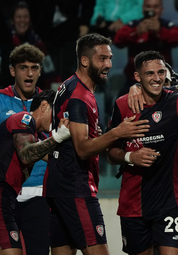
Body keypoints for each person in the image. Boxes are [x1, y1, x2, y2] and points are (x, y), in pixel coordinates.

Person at [107, 51, 178, 255]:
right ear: (137, 77)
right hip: (133, 204)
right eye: (150, 73)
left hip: (169, 204)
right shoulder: (122, 105)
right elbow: (111, 152)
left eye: (161, 72)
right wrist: (130, 157)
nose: (157, 78)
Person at [43, 33, 150, 255]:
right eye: (102, 59)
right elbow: (82, 150)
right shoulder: (80, 96)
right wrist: (117, 133)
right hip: (75, 185)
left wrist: (94, 133)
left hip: (58, 184)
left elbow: (73, 136)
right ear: (84, 60)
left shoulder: (69, 85)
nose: (108, 65)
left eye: (110, 58)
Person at [0, 89, 71, 255]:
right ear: (44, 106)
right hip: (2, 193)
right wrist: (58, 138)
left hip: (8, 197)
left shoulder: (36, 137)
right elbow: (26, 155)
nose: (57, 120)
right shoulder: (23, 118)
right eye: (57, 113)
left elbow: (55, 158)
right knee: (12, 251)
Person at [0, 44, 51, 255]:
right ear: (12, 71)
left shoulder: (50, 104)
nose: (29, 73)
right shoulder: (0, 99)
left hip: (38, 194)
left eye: (34, 67)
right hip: (5, 190)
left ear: (40, 70)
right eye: (23, 67)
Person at [113, 0, 178, 96]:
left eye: (155, 7)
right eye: (148, 6)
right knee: (120, 104)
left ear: (161, 10)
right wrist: (136, 32)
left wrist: (160, 31)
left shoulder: (167, 26)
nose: (151, 10)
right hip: (135, 81)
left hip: (162, 81)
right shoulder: (134, 26)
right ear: (143, 9)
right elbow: (117, 41)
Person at [0, 2, 60, 90]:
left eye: (25, 17)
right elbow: (5, 77)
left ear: (30, 20)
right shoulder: (6, 44)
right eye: (19, 17)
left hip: (37, 93)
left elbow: (46, 72)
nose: (22, 20)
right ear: (13, 20)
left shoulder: (38, 43)